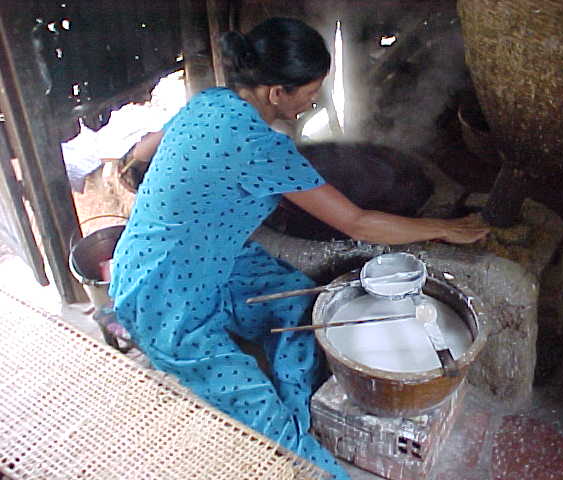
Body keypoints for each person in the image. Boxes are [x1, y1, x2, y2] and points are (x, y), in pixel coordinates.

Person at [109, 17, 489, 479]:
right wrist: (444, 229)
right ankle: (301, 443)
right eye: (311, 90)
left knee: (305, 302)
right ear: (276, 93)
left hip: (207, 259)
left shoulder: (211, 101)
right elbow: (357, 222)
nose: (315, 100)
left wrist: (148, 181)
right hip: (163, 299)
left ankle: (299, 404)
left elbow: (146, 150)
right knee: (269, 431)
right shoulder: (263, 149)